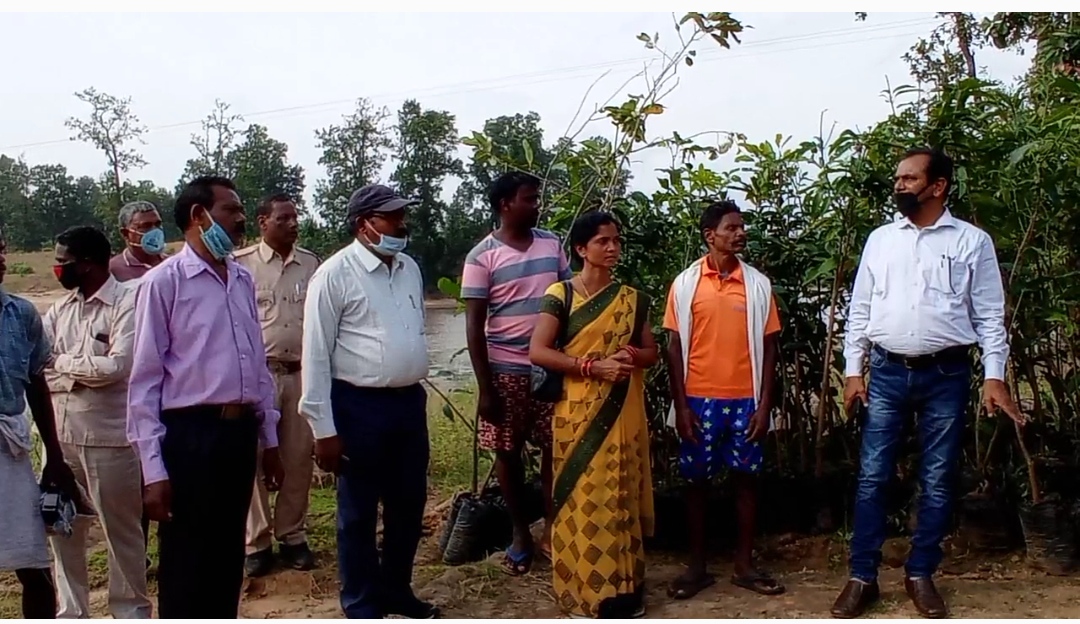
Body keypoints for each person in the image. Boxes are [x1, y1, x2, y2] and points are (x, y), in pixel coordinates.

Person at [833, 148, 1024, 619]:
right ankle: (862, 577)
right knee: (873, 476)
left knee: (937, 481)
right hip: (888, 372)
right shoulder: (881, 240)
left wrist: (994, 378)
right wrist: (854, 371)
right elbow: (860, 310)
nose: (899, 185)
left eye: (908, 178)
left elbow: (988, 317)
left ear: (937, 186)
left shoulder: (971, 242)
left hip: (947, 374)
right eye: (898, 178)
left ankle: (921, 574)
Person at [126, 175, 284, 619]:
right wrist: (153, 471)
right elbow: (144, 381)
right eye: (231, 210)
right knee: (186, 558)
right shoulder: (164, 283)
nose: (240, 220)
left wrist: (269, 440)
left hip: (237, 435)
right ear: (200, 216)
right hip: (190, 437)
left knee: (226, 555)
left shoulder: (240, 279)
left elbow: (256, 365)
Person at [300, 184, 438, 619]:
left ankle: (397, 589)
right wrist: (324, 431)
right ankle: (361, 602)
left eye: (401, 215)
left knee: (408, 504)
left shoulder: (409, 268)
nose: (402, 225)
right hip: (358, 406)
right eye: (392, 218)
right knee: (358, 512)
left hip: (407, 404)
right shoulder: (334, 275)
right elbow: (316, 355)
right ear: (365, 225)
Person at [529, 211, 658, 619]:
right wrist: (590, 366)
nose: (613, 247)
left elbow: (652, 352)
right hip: (576, 411)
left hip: (622, 410)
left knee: (621, 489)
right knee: (582, 495)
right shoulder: (560, 294)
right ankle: (583, 587)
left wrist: (631, 356)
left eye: (616, 240)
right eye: (603, 241)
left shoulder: (632, 299)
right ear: (582, 249)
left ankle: (625, 589)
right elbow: (539, 351)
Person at [663, 200, 785, 600]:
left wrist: (765, 405)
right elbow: (674, 347)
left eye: (741, 227)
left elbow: (770, 349)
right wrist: (681, 407)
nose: (740, 233)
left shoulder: (758, 285)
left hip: (744, 400)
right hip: (698, 400)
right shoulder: (684, 285)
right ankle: (696, 568)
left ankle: (744, 565)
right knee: (696, 483)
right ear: (709, 235)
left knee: (746, 481)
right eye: (731, 227)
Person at [461, 172, 571, 574]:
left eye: (536, 198)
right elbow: (474, 326)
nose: (536, 204)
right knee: (507, 453)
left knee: (553, 451)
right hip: (505, 370)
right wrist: (486, 387)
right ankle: (520, 533)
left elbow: (567, 300)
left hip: (549, 368)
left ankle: (554, 529)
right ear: (506, 204)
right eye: (529, 198)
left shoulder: (551, 244)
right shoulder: (482, 256)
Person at [42, 226, 150, 618]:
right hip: (62, 436)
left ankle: (130, 610)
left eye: (63, 262)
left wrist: (65, 365)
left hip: (110, 439)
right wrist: (77, 373)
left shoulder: (128, 302)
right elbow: (41, 366)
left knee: (121, 532)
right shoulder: (61, 308)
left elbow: (119, 366)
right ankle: (72, 612)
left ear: (88, 264)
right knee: (62, 528)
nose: (58, 268)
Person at [234, 194, 320, 577]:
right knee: (252, 457)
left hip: (301, 372)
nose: (292, 224)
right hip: (258, 374)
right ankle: (256, 542)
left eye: (295, 217)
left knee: (298, 457)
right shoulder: (241, 267)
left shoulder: (312, 265)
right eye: (283, 218)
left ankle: (292, 535)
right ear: (263, 221)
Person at [0, 226, 79, 619]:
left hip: (10, 449)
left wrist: (54, 455)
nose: (0, 261)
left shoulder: (21, 313)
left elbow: (36, 384)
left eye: (0, 251)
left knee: (33, 564)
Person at [109, 200, 166, 570]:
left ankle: (170, 552)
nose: (152, 232)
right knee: (139, 479)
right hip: (130, 391)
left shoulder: (170, 266)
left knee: (166, 474)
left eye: (156, 224)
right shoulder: (113, 271)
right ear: (126, 233)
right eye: (144, 226)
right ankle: (137, 559)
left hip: (169, 390)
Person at [110, 200, 168, 282]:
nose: (155, 231)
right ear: (125, 233)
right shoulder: (113, 271)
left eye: (158, 224)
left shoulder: (173, 265)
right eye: (146, 226)